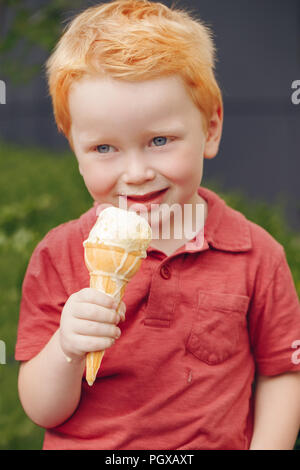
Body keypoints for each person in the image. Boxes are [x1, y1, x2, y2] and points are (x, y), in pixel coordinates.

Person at [15, 0, 300, 450]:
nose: (136, 172)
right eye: (104, 148)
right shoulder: (59, 254)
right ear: (74, 148)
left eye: (160, 141)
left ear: (210, 129)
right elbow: (42, 409)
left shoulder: (256, 255)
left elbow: (282, 373)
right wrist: (66, 347)